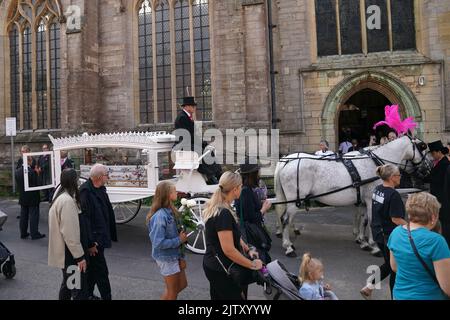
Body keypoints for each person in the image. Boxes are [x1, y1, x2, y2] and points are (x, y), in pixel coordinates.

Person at [203, 171, 263, 300]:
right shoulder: (223, 213)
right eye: (240, 186)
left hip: (214, 265)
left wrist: (247, 248)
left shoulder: (221, 206)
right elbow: (228, 250)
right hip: (221, 269)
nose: (241, 188)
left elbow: (233, 235)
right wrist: (252, 264)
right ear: (235, 189)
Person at [388, 192, 450, 300]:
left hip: (400, 295)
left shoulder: (396, 232)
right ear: (433, 217)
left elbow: (394, 267)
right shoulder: (436, 241)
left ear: (409, 214)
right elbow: (447, 287)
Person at [360, 164, 407, 300]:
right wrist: (411, 227)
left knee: (389, 264)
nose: (400, 177)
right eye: (398, 175)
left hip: (378, 233)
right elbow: (396, 219)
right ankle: (392, 296)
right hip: (389, 236)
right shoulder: (394, 195)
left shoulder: (378, 189)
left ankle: (369, 287)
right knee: (394, 268)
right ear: (392, 178)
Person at [48, 169, 89, 300]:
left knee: (67, 285)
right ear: (73, 181)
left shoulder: (60, 197)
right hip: (70, 254)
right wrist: (79, 257)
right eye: (76, 180)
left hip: (65, 252)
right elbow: (70, 234)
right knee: (76, 289)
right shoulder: (67, 201)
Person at [80, 164, 117, 300]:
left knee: (93, 270)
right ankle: (106, 297)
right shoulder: (85, 192)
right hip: (93, 241)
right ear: (100, 177)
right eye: (107, 174)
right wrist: (91, 243)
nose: (108, 177)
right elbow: (85, 220)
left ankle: (87, 294)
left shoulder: (100, 188)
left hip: (101, 238)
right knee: (101, 271)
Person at [147, 181, 188, 300]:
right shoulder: (160, 216)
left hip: (175, 255)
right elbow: (158, 243)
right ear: (168, 194)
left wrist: (181, 256)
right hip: (166, 257)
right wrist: (179, 240)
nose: (177, 192)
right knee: (173, 292)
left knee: (182, 285)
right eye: (174, 191)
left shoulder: (171, 210)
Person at [174, 96, 222, 184]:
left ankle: (216, 174)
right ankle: (212, 175)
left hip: (188, 143)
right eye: (192, 106)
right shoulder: (182, 118)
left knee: (208, 151)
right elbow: (189, 136)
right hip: (183, 145)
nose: (194, 108)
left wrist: (203, 143)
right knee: (202, 152)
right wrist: (202, 143)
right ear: (187, 107)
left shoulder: (187, 117)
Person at [235, 163, 272, 264]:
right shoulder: (246, 191)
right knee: (262, 261)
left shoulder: (245, 189)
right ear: (252, 175)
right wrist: (264, 208)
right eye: (258, 172)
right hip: (251, 234)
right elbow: (251, 217)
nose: (259, 175)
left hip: (250, 232)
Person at [15, 156, 45, 240]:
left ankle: (23, 233)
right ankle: (34, 234)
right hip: (33, 197)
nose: (32, 162)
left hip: (23, 196)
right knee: (33, 216)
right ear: (29, 161)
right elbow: (38, 184)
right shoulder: (32, 172)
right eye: (31, 160)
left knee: (23, 215)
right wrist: (38, 173)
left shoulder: (17, 171)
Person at [426, 141, 450, 245]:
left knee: (444, 221)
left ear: (439, 152)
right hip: (437, 196)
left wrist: (426, 177)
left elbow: (436, 179)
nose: (432, 156)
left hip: (443, 197)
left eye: (433, 153)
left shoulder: (445, 163)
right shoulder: (439, 162)